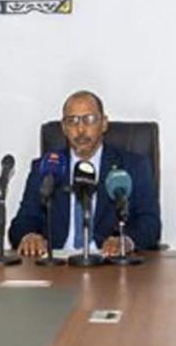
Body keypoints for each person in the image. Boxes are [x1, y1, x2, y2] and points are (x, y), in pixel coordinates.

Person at [9, 90, 160, 257]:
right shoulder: (46, 168)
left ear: (104, 124)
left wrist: (126, 241)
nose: (80, 129)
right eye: (72, 121)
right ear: (64, 128)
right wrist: (28, 236)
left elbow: (150, 224)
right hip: (57, 262)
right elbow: (22, 222)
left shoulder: (133, 166)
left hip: (108, 261)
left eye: (89, 120)